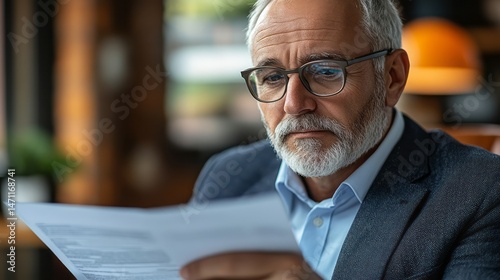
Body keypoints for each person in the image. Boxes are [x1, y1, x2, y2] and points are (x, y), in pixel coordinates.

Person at [180, 0, 500, 279]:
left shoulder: (480, 192)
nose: (293, 104)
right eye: (273, 78)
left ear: (392, 77)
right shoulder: (227, 179)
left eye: (325, 70)